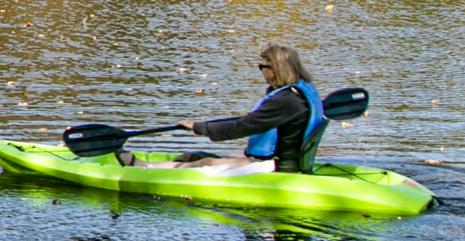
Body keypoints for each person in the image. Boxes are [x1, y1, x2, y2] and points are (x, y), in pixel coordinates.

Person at [120, 42, 325, 173]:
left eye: (262, 66)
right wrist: (199, 126)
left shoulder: (285, 101)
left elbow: (243, 127)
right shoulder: (298, 94)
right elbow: (253, 122)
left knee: (205, 164)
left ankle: (143, 170)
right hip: (281, 161)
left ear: (275, 70)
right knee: (198, 156)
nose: (260, 70)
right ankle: (156, 167)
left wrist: (199, 128)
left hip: (277, 166)